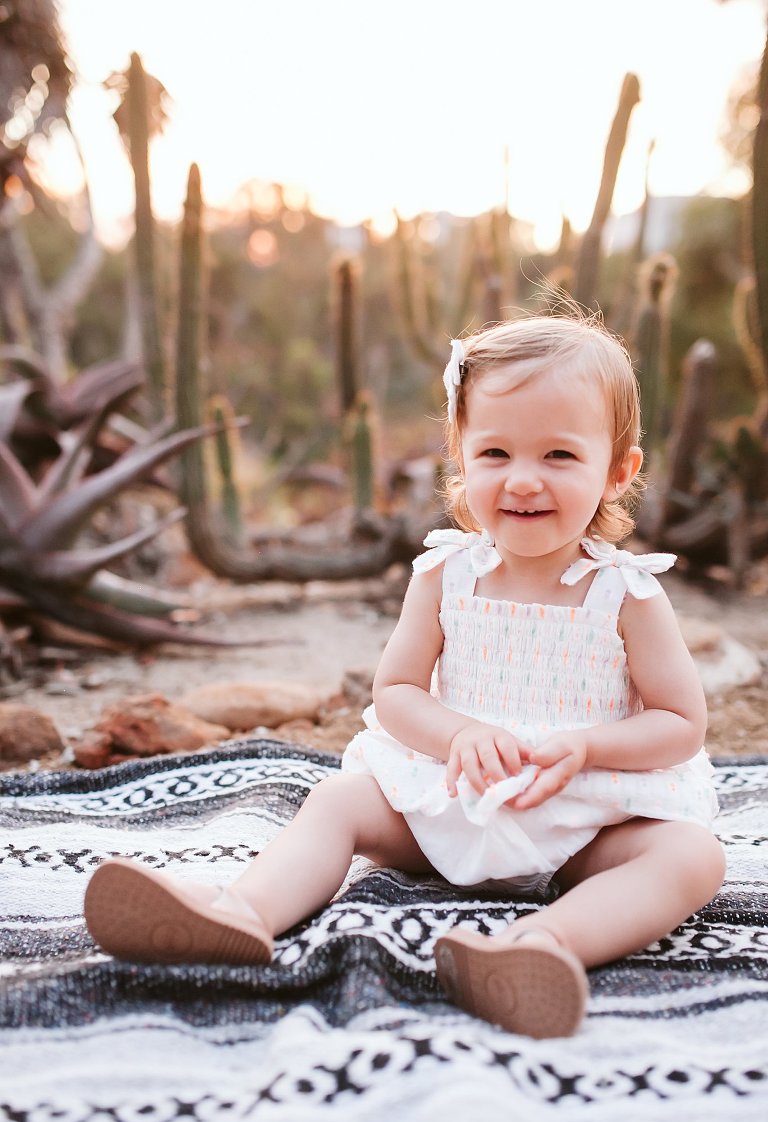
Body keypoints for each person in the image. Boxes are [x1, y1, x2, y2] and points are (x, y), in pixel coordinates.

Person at [84, 309, 725, 1040]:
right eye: (494, 453)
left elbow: (681, 725)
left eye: (557, 456)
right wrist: (457, 735)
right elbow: (396, 694)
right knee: (338, 800)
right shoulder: (445, 574)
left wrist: (585, 746)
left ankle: (539, 949)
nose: (522, 480)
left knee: (692, 855)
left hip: (582, 818)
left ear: (618, 471)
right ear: (459, 455)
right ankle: (239, 914)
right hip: (451, 803)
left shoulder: (628, 594)